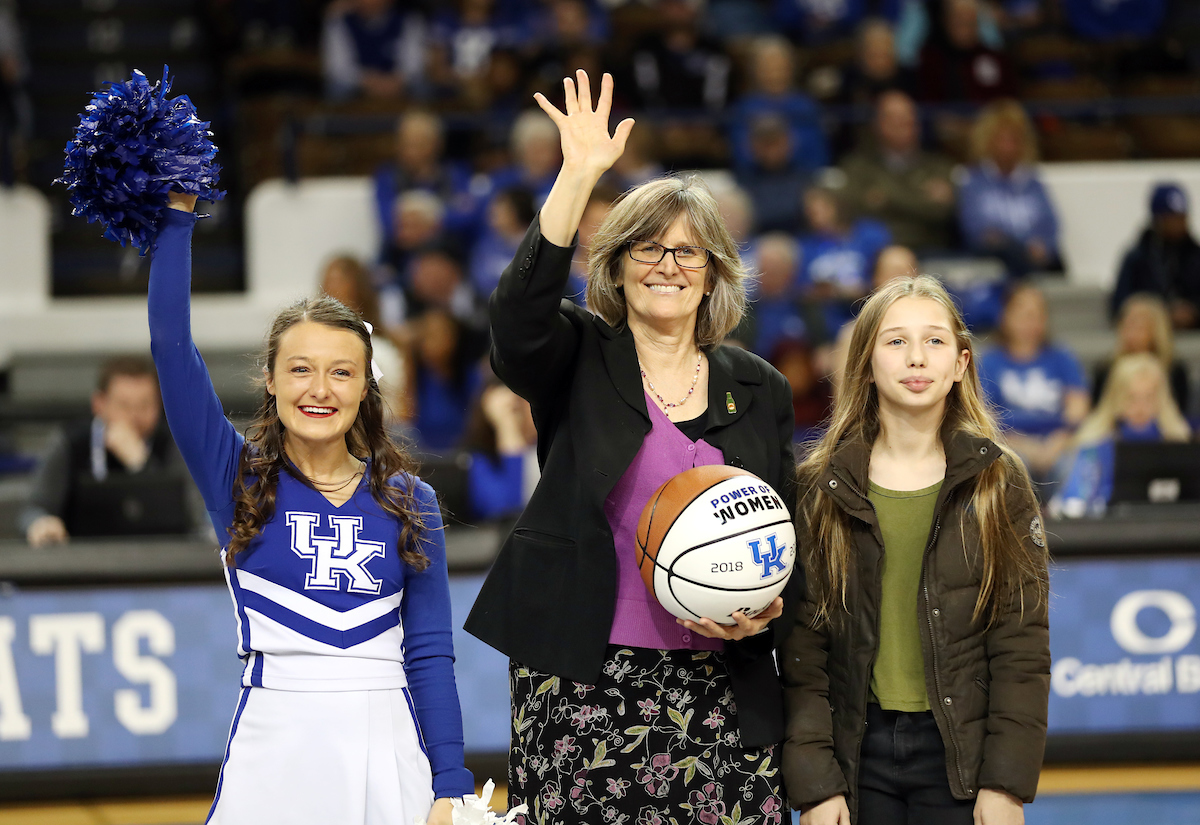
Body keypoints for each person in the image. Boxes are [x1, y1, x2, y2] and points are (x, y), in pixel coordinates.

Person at [464, 71, 796, 824]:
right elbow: (515, 324)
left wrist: (765, 608)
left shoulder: (761, 386)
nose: (668, 265)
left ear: (714, 273)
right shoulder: (579, 354)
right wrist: (576, 177)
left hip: (720, 682)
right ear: (612, 265)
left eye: (687, 252)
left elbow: (787, 531)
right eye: (646, 248)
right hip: (584, 681)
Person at [148, 193, 472, 823]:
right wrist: (178, 217)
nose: (319, 390)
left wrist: (451, 783)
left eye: (341, 373)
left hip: (390, 750)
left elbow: (430, 653)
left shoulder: (413, 501)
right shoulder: (236, 477)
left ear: (365, 385)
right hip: (276, 747)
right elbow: (170, 345)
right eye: (299, 370)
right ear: (270, 379)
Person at [782, 274, 1050, 825]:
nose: (916, 358)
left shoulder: (998, 481)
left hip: (962, 761)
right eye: (896, 341)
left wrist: (1007, 784)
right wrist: (815, 784)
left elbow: (1022, 645)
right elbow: (804, 652)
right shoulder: (820, 485)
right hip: (857, 757)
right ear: (866, 362)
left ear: (961, 363)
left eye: (934, 341)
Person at [19, 355, 199, 547]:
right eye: (124, 405)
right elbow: (34, 509)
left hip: (161, 557)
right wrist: (41, 523)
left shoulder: (174, 443)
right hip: (82, 559)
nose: (135, 416)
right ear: (99, 404)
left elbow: (193, 515)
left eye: (145, 405)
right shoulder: (70, 443)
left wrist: (142, 464)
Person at [977, 283, 1090, 485]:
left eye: (1037, 314)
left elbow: (1078, 409)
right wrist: (1023, 446)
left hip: (1059, 442)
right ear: (1005, 316)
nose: (1030, 321)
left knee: (1073, 466)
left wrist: (1058, 442)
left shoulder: (1062, 357)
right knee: (1012, 465)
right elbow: (984, 416)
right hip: (1008, 442)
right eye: (1023, 313)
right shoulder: (990, 362)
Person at [1054, 353, 1192, 518]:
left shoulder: (1180, 444)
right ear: (1116, 398)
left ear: (1162, 400)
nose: (1140, 407)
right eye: (1131, 398)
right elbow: (1074, 503)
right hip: (1110, 535)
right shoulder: (1095, 446)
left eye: (1149, 397)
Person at [840, 90, 957, 253]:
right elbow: (852, 209)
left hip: (929, 250)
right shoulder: (858, 166)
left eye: (908, 117)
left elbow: (940, 212)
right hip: (876, 253)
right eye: (893, 117)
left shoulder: (938, 166)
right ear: (877, 124)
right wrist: (918, 198)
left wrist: (886, 198)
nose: (903, 123)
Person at [958, 100, 1062, 279]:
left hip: (1032, 259)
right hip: (992, 260)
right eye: (1002, 139)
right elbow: (973, 229)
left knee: (1056, 263)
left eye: (1014, 139)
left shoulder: (1033, 183)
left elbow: (1050, 224)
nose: (1008, 146)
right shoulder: (974, 182)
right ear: (988, 141)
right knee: (1005, 251)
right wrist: (1013, 244)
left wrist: (1042, 245)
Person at [1110, 183, 1200, 329]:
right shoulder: (1137, 259)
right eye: (1172, 218)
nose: (1179, 223)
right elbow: (1119, 305)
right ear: (1158, 220)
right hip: (1149, 337)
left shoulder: (1196, 256)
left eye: (1182, 217)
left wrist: (1194, 311)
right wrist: (1162, 312)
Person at [1093, 293, 1189, 414]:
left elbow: (1180, 413)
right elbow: (1099, 411)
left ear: (1157, 330)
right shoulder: (1106, 369)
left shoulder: (1174, 369)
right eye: (1127, 325)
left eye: (1139, 327)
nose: (1131, 334)